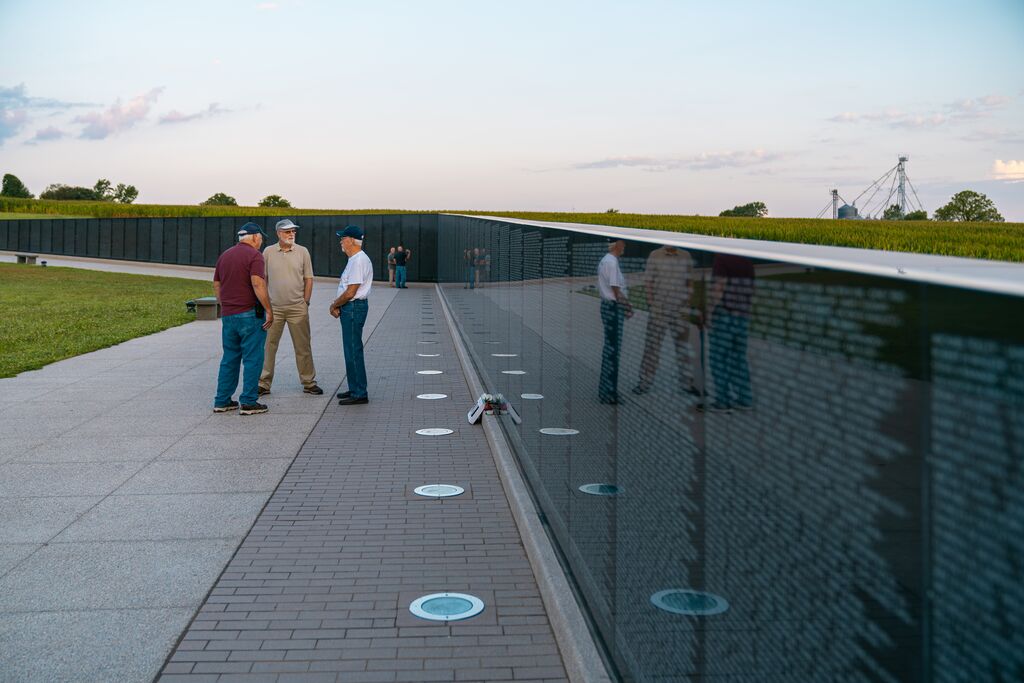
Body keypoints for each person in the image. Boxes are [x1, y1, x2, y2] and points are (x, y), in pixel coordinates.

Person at [257, 219, 323, 397]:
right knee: (269, 346)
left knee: (303, 347)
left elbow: (308, 278)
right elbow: (263, 280)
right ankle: (263, 383)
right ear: (278, 233)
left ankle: (309, 382)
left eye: (293, 231)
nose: (291, 234)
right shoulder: (268, 252)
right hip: (274, 309)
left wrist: (306, 302)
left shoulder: (303, 252)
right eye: (287, 231)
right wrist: (266, 306)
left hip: (297, 308)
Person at [212, 222, 273, 415]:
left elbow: (216, 284)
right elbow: (257, 283)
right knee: (253, 358)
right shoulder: (255, 256)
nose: (261, 243)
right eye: (261, 239)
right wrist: (268, 310)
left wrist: (225, 305)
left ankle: (222, 401)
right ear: (254, 237)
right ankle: (248, 401)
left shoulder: (225, 255)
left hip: (229, 315)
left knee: (229, 357)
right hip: (250, 314)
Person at [633, 245, 697, 395]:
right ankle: (644, 382)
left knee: (683, 347)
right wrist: (651, 303)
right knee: (652, 347)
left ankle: (687, 383)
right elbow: (648, 281)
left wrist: (687, 301)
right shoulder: (655, 255)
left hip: (680, 310)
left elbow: (690, 281)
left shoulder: (685, 255)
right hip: (659, 309)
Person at [702, 253, 755, 412]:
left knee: (719, 359)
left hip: (724, 315)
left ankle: (722, 401)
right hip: (742, 315)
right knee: (739, 358)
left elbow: (719, 286)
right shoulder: (747, 259)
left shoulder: (722, 258)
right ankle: (745, 400)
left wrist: (709, 312)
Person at [330, 225, 373, 405]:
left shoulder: (357, 260)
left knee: (353, 350)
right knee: (351, 349)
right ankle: (355, 387)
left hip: (353, 308)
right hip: (352, 307)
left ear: (352, 241)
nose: (341, 240)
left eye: (343, 237)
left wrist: (334, 305)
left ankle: (359, 392)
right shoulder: (355, 259)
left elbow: (351, 291)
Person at [598, 238, 632, 404]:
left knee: (610, 350)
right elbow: (616, 290)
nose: (625, 246)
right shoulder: (611, 262)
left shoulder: (607, 260)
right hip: (613, 307)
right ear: (617, 245)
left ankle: (605, 390)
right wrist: (628, 307)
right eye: (623, 243)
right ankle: (609, 393)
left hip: (608, 306)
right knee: (612, 351)